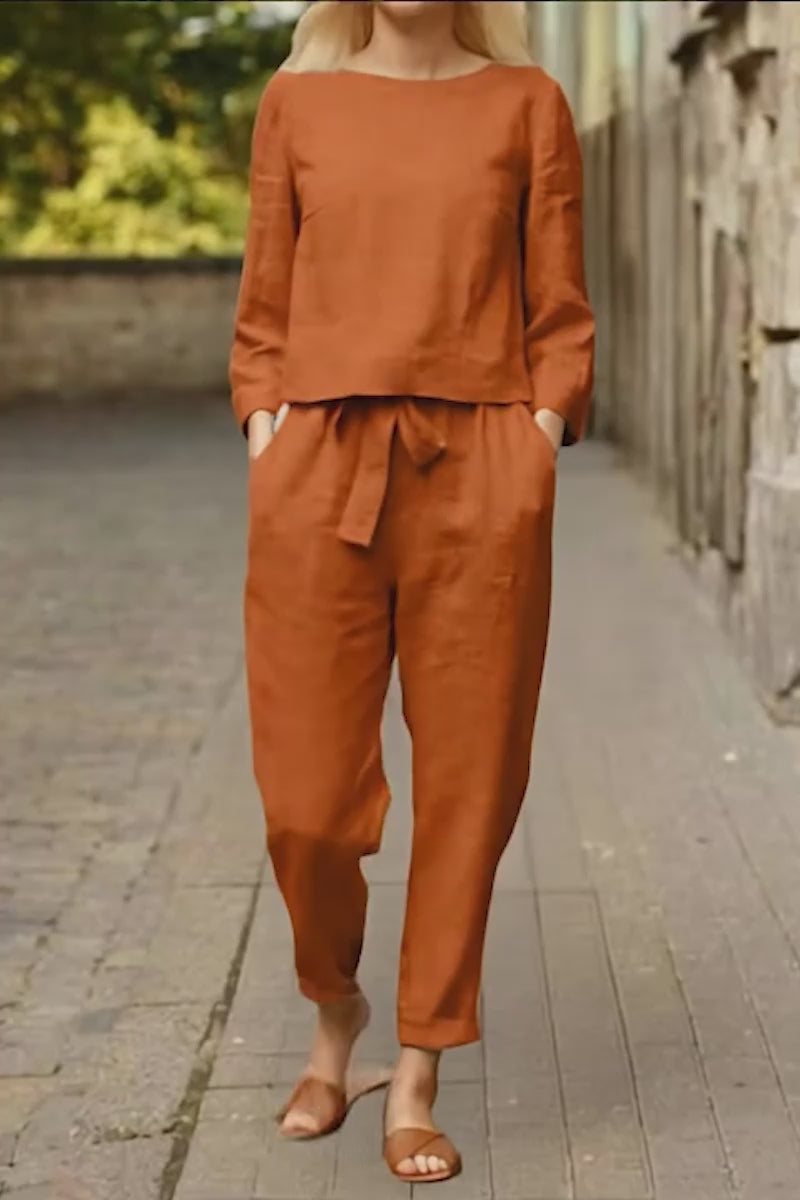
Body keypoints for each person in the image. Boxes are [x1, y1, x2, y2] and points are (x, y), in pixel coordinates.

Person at [229, 0, 594, 1183]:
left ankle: (421, 1066)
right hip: (319, 465)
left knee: (468, 787)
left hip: (480, 470)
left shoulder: (526, 104)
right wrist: (266, 428)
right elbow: (262, 305)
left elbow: (559, 307)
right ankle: (334, 1012)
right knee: (305, 802)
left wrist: (537, 438)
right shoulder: (297, 103)